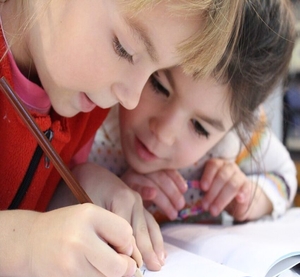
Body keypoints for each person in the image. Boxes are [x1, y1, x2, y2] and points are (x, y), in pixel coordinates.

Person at [0, 0, 244, 277]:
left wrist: (75, 187)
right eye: (124, 50)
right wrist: (28, 245)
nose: (131, 99)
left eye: (155, 72)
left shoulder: (84, 102)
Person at [89, 0, 297, 224]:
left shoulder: (239, 141)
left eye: (200, 127)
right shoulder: (94, 108)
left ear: (235, 127)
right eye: (158, 86)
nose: (164, 133)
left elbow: (285, 176)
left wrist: (250, 197)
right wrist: (106, 190)